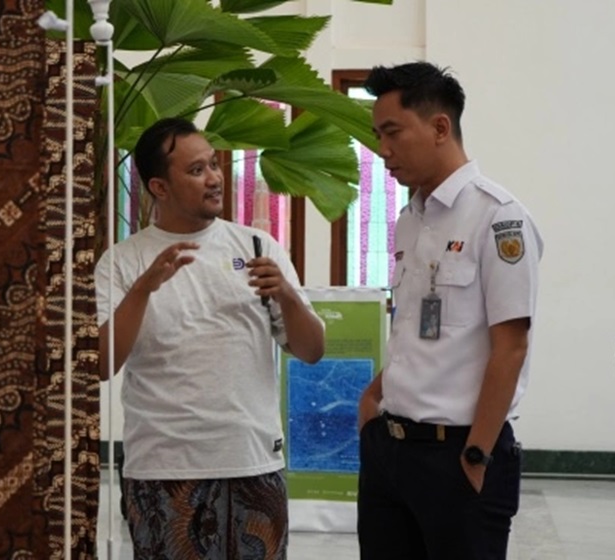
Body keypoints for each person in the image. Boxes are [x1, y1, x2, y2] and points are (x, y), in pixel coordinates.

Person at [94, 117, 325, 559]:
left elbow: (312, 351)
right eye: (196, 170)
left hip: (253, 463)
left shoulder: (258, 247)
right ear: (159, 188)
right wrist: (144, 288)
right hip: (164, 471)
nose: (214, 178)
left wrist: (289, 297)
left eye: (213, 165)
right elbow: (103, 364)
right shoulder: (122, 262)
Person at [355, 61, 544, 559]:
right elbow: (413, 329)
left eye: (393, 132)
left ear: (440, 127)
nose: (383, 150)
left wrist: (477, 454)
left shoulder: (499, 218)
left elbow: (512, 346)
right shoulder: (409, 220)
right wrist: (372, 402)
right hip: (390, 450)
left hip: (458, 455)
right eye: (378, 135)